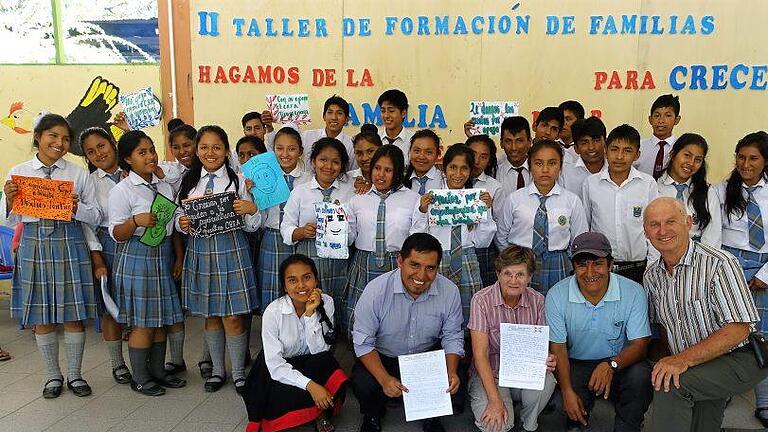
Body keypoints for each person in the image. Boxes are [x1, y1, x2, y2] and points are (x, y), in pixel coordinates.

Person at [642, 197, 768, 432]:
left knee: (670, 384)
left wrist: (680, 361)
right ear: (646, 231)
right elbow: (662, 328)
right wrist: (669, 359)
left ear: (688, 223)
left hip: (737, 357)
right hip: (698, 363)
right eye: (654, 224)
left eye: (671, 221)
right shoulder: (652, 276)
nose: (663, 230)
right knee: (701, 426)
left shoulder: (719, 263)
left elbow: (739, 328)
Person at [3, 114, 99, 398]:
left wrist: (76, 209)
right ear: (38, 137)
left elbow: (96, 216)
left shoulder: (78, 173)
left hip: (70, 241)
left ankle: (75, 375)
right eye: (53, 136)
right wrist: (8, 200)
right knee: (41, 316)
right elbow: (8, 220)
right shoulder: (19, 172)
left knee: (73, 315)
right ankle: (52, 376)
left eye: (65, 139)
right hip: (34, 244)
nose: (59, 143)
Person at [351, 233, 464, 432]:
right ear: (400, 261)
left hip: (425, 357)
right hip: (385, 356)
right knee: (363, 383)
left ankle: (431, 415)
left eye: (430, 268)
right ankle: (373, 414)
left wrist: (451, 371)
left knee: (457, 379)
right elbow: (363, 343)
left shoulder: (450, 291)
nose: (421, 276)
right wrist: (385, 379)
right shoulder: (375, 291)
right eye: (415, 265)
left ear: (438, 267)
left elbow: (452, 336)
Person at [176, 126, 260, 394]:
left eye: (216, 147)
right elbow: (179, 218)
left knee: (233, 316)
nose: (210, 153)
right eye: (204, 147)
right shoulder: (189, 182)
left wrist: (251, 209)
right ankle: (216, 371)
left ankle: (237, 373)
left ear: (226, 151)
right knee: (211, 315)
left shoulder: (238, 181)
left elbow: (253, 225)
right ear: (197, 150)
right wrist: (182, 222)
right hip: (201, 251)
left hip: (232, 250)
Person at [546, 232, 652, 432]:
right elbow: (558, 348)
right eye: (582, 264)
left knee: (640, 377)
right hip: (577, 362)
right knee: (562, 403)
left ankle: (627, 427)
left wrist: (611, 365)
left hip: (619, 361)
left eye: (598, 263)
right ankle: (576, 423)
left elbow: (640, 345)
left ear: (610, 265)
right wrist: (567, 391)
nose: (590, 271)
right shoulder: (556, 295)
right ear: (574, 267)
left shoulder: (633, 291)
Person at [109, 130, 186, 396]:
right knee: (143, 322)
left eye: (151, 150)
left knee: (161, 318)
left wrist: (178, 255)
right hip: (136, 257)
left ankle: (158, 372)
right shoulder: (122, 190)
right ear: (128, 159)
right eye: (142, 152)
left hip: (162, 255)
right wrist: (134, 222)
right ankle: (140, 377)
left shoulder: (164, 185)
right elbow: (116, 234)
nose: (150, 156)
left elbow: (173, 224)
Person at [243, 254, 348, 432]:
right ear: (284, 286)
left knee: (329, 366)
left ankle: (319, 413)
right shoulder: (273, 312)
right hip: (278, 368)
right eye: (292, 280)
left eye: (307, 278)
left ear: (316, 279)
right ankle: (305, 410)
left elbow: (321, 352)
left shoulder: (326, 302)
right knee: (279, 400)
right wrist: (312, 386)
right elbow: (275, 366)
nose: (301, 285)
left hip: (311, 361)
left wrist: (310, 315)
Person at [467, 245, 557, 432]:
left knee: (547, 380)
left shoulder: (538, 300)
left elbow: (540, 347)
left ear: (529, 277)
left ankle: (528, 424)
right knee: (495, 426)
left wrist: (547, 359)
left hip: (524, 373)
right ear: (498, 274)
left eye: (520, 275)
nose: (513, 281)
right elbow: (480, 355)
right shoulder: (481, 300)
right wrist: (494, 400)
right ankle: (504, 407)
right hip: (491, 373)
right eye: (507, 274)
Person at [716, 131, 768, 426]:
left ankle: (764, 402)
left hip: (763, 271)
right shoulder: (721, 191)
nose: (746, 164)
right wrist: (724, 273)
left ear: (765, 161)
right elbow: (713, 235)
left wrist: (764, 276)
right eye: (741, 157)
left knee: (762, 337)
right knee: (727, 335)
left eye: (753, 158)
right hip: (730, 268)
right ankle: (720, 395)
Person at [413, 144, 496, 322]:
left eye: (464, 168)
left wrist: (486, 210)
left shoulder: (476, 200)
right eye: (453, 167)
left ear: (470, 171)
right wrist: (421, 211)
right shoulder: (430, 198)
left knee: (468, 313)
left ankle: (466, 346)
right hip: (437, 260)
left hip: (467, 259)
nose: (458, 174)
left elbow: (483, 241)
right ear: (444, 168)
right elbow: (416, 237)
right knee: (435, 310)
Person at [281, 137, 354, 329]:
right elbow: (286, 229)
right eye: (323, 159)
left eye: (335, 162)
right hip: (309, 257)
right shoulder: (300, 192)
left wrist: (342, 231)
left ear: (342, 166)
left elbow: (355, 233)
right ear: (313, 162)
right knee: (309, 301)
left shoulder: (351, 192)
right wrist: (302, 231)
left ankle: (331, 342)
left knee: (336, 302)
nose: (329, 166)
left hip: (339, 259)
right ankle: (309, 344)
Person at [497, 140, 587, 295]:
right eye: (539, 163)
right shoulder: (514, 199)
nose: (545, 169)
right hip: (519, 265)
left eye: (552, 163)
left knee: (555, 308)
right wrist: (515, 261)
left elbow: (579, 240)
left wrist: (567, 261)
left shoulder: (571, 201)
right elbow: (501, 236)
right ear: (530, 165)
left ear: (560, 166)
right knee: (523, 310)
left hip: (558, 264)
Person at [345, 145, 419, 331]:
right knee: (363, 315)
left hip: (398, 263)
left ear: (398, 172)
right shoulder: (357, 199)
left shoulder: (413, 199)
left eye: (388, 170)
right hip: (364, 263)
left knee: (394, 316)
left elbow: (417, 233)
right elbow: (350, 236)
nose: (381, 175)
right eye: (377, 168)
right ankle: (362, 353)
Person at [80, 127, 131, 385]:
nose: (98, 153)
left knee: (139, 305)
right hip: (107, 245)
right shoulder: (89, 182)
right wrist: (97, 259)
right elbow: (88, 225)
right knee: (109, 308)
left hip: (137, 243)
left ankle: (146, 363)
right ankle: (117, 364)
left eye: (101, 146)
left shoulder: (134, 171)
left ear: (113, 143)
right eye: (91, 151)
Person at [581, 124, 659, 284]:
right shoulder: (591, 183)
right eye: (614, 149)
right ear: (605, 150)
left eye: (627, 151)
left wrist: (651, 266)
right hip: (600, 268)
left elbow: (654, 228)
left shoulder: (647, 184)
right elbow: (585, 226)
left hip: (638, 268)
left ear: (637, 155)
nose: (619, 156)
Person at [260, 127, 312, 308]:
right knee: (274, 292)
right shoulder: (264, 178)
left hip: (302, 239)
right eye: (279, 148)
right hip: (272, 239)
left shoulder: (309, 180)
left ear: (300, 152)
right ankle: (274, 333)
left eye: (291, 149)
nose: (285, 154)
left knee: (301, 291)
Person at [657, 133, 721, 247]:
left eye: (698, 160)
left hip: (696, 256)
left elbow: (713, 235)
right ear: (673, 154)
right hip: (659, 253)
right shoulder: (654, 186)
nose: (691, 163)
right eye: (687, 155)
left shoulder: (707, 192)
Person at [466, 134, 502, 287]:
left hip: (483, 251)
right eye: (473, 154)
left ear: (489, 161)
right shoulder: (449, 181)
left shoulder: (494, 187)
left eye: (484, 157)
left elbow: (500, 224)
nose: (477, 161)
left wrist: (488, 209)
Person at [302, 95, 357, 170]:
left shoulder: (351, 145)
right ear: (324, 116)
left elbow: (351, 173)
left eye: (339, 113)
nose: (334, 117)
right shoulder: (307, 136)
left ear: (346, 119)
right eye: (330, 112)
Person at [559, 116, 607, 200]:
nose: (591, 147)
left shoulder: (615, 170)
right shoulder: (565, 173)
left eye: (596, 140)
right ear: (576, 148)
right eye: (584, 142)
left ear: (605, 143)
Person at [635, 94, 681, 179]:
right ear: (650, 119)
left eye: (668, 115)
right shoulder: (639, 147)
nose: (661, 121)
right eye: (657, 115)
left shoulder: (681, 148)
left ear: (677, 120)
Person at [496, 116, 533, 203]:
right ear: (501, 143)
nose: (514, 148)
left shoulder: (541, 170)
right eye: (508, 141)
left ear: (529, 142)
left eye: (519, 141)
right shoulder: (494, 172)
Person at [378, 89, 413, 163]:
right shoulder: (376, 138)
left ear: (403, 113)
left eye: (391, 111)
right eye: (383, 111)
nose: (386, 115)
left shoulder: (413, 140)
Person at [404, 129, 443, 195]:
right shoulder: (401, 180)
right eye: (417, 151)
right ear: (410, 151)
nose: (421, 157)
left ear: (438, 154)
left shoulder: (444, 180)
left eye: (428, 152)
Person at [348, 124, 383, 191]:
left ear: (381, 150)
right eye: (359, 153)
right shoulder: (346, 180)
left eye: (370, 151)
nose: (365, 158)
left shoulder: (390, 179)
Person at [557, 100, 586, 164]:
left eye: (568, 119)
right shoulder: (551, 145)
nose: (564, 123)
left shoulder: (586, 147)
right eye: (561, 119)